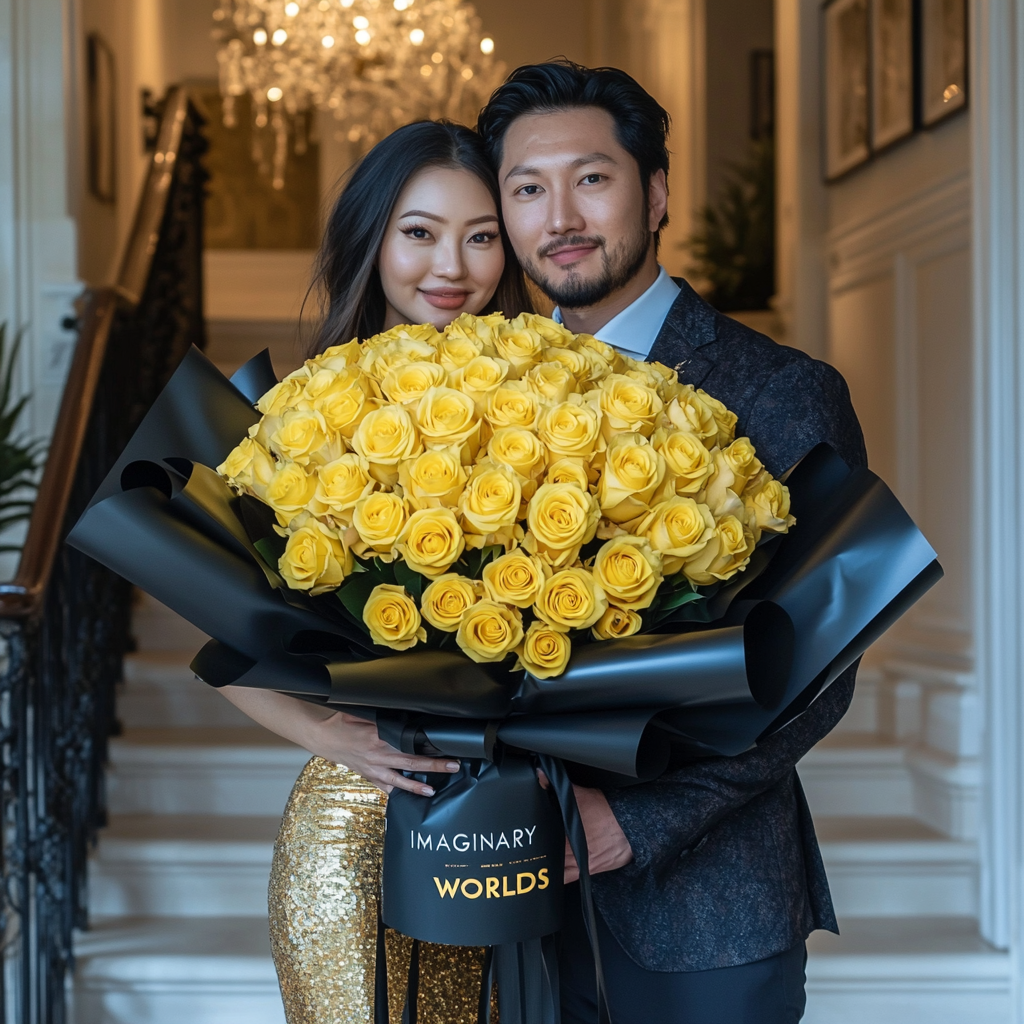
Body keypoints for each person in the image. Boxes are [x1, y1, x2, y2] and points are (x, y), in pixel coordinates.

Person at [476, 61, 867, 1024]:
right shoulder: (478, 391)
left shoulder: (782, 389)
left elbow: (816, 672)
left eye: (591, 178)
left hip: (706, 910)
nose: (560, 216)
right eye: (527, 189)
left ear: (655, 193)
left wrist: (635, 822)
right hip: (504, 897)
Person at [216, 119, 532, 1024]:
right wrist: (330, 735)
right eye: (419, 232)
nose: (452, 267)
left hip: (509, 826)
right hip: (351, 829)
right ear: (373, 238)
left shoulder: (548, 401)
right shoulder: (302, 415)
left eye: (481, 236)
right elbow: (223, 631)